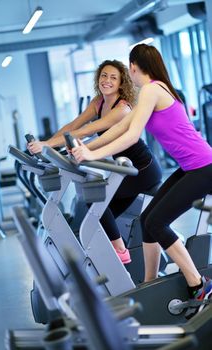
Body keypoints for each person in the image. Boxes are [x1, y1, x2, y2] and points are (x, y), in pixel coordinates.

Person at [71, 44, 212, 319]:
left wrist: (92, 153)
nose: (129, 76)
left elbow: (132, 136)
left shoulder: (151, 90)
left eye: (129, 70)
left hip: (204, 167)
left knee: (157, 223)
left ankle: (199, 284)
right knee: (148, 219)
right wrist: (85, 149)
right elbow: (120, 128)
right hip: (193, 166)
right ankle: (150, 285)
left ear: (134, 66)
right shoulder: (154, 91)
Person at [28, 59, 162, 264]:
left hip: (142, 170)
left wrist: (46, 145)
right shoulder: (98, 102)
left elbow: (86, 130)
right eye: (104, 75)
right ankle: (107, 259)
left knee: (95, 199)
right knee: (94, 217)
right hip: (124, 169)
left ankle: (121, 252)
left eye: (113, 77)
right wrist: (47, 145)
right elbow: (74, 125)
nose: (107, 80)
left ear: (121, 83)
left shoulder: (122, 109)